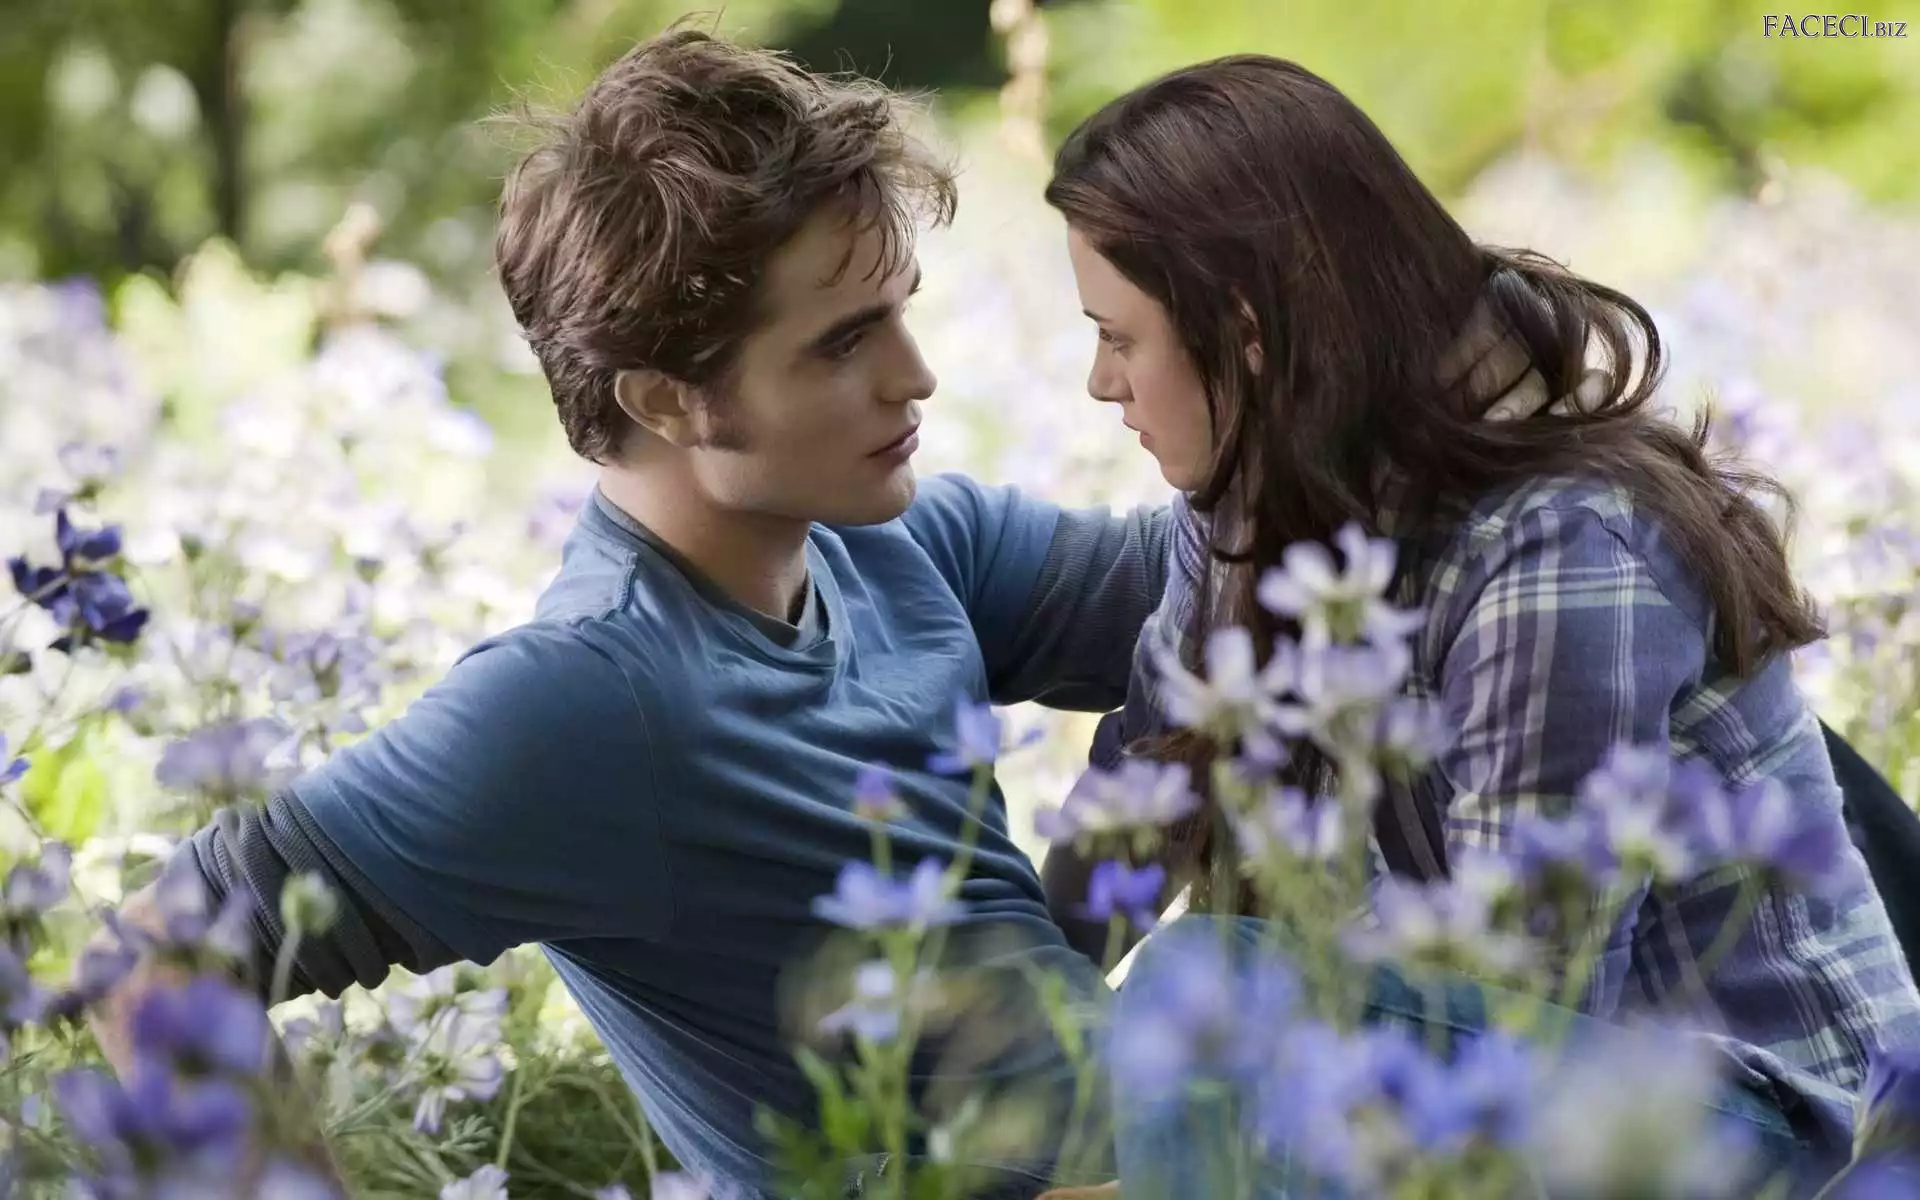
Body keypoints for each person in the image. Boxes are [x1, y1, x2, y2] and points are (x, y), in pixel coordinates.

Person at [90, 29, 1171, 1200]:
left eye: (898, 313)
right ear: (668, 400)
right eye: (845, 343)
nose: (915, 376)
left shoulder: (901, 541)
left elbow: (1222, 576)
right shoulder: (587, 701)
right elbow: (152, 964)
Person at [1035, 51, 1920, 1183]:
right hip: (1544, 1078)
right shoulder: (1253, 494)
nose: (1100, 383)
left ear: (1246, 333)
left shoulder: (1561, 543)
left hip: (1785, 1133)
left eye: (1118, 337)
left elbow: (1516, 995)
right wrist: (991, 1038)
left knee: (1211, 990)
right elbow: (1143, 806)